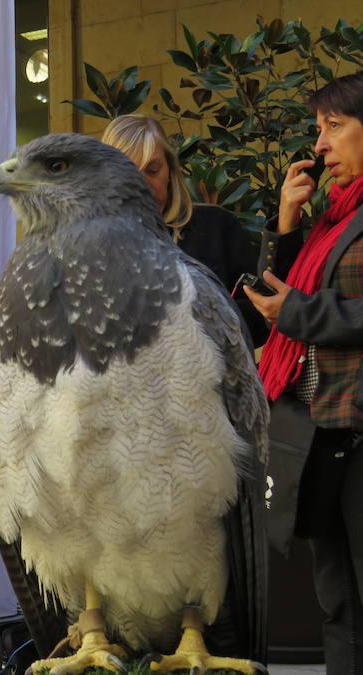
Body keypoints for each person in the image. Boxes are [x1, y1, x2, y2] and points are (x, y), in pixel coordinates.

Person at [244, 71, 363, 673]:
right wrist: (289, 222)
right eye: (319, 129)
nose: (319, 145)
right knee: (338, 604)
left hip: (360, 434)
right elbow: (281, 296)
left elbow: (295, 307)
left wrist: (296, 312)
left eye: (334, 127)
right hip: (323, 436)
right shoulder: (334, 216)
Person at [102, 114, 269, 345]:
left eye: (152, 170)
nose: (141, 185)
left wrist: (205, 318)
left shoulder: (217, 227)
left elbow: (260, 321)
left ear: (170, 171)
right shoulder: (89, 248)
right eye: (129, 173)